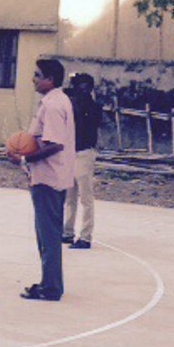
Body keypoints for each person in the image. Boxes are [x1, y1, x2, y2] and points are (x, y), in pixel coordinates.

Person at [7, 58, 75, 301]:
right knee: (48, 235)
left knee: (48, 236)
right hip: (52, 176)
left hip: (48, 178)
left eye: (38, 75)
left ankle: (51, 287)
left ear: (50, 79)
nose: (33, 79)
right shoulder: (56, 101)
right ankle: (50, 282)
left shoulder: (53, 106)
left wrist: (24, 158)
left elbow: (55, 144)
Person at [62, 72, 104, 250]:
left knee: (85, 197)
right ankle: (68, 232)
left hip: (84, 152)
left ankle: (85, 236)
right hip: (72, 152)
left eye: (85, 86)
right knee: (70, 196)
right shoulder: (76, 103)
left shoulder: (91, 107)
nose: (82, 89)